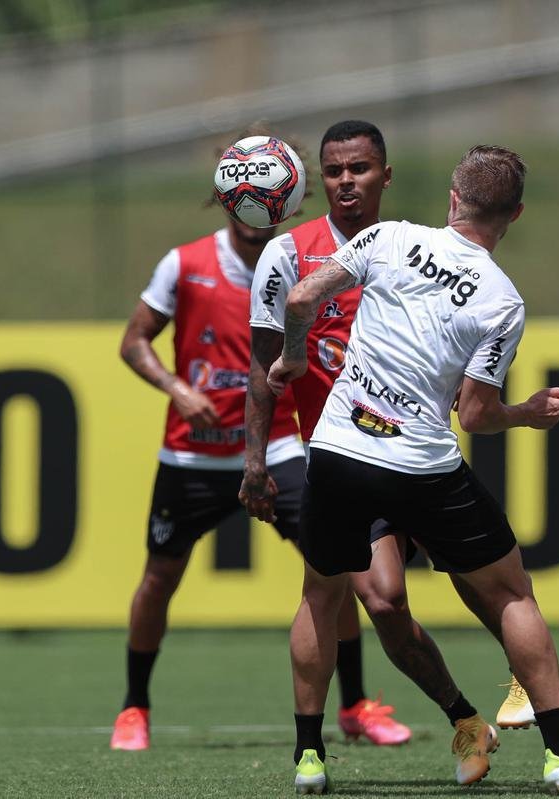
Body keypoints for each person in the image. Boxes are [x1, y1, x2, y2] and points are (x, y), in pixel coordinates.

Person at [268, 145, 559, 795]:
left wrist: (296, 361)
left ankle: (308, 756)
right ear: (514, 215)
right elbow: (474, 414)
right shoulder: (502, 301)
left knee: (320, 595)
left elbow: (301, 297)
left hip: (338, 450)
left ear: (452, 197)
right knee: (512, 593)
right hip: (420, 462)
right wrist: (527, 412)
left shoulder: (387, 237)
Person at [242, 120, 530, 782]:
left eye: (361, 169)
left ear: (385, 175)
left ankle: (524, 675)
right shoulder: (289, 255)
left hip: (416, 455)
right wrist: (256, 462)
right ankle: (456, 719)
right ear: (317, 179)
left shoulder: (411, 247)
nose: (348, 180)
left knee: (476, 575)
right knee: (381, 598)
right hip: (343, 455)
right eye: (336, 170)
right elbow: (264, 369)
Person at [110, 152, 406, 750]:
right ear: (227, 199)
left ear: (289, 200)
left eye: (267, 198)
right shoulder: (184, 264)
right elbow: (133, 341)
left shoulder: (306, 261)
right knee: (159, 578)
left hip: (279, 447)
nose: (255, 210)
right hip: (190, 454)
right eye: (243, 198)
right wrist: (175, 387)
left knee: (336, 567)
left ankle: (354, 705)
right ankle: (134, 707)